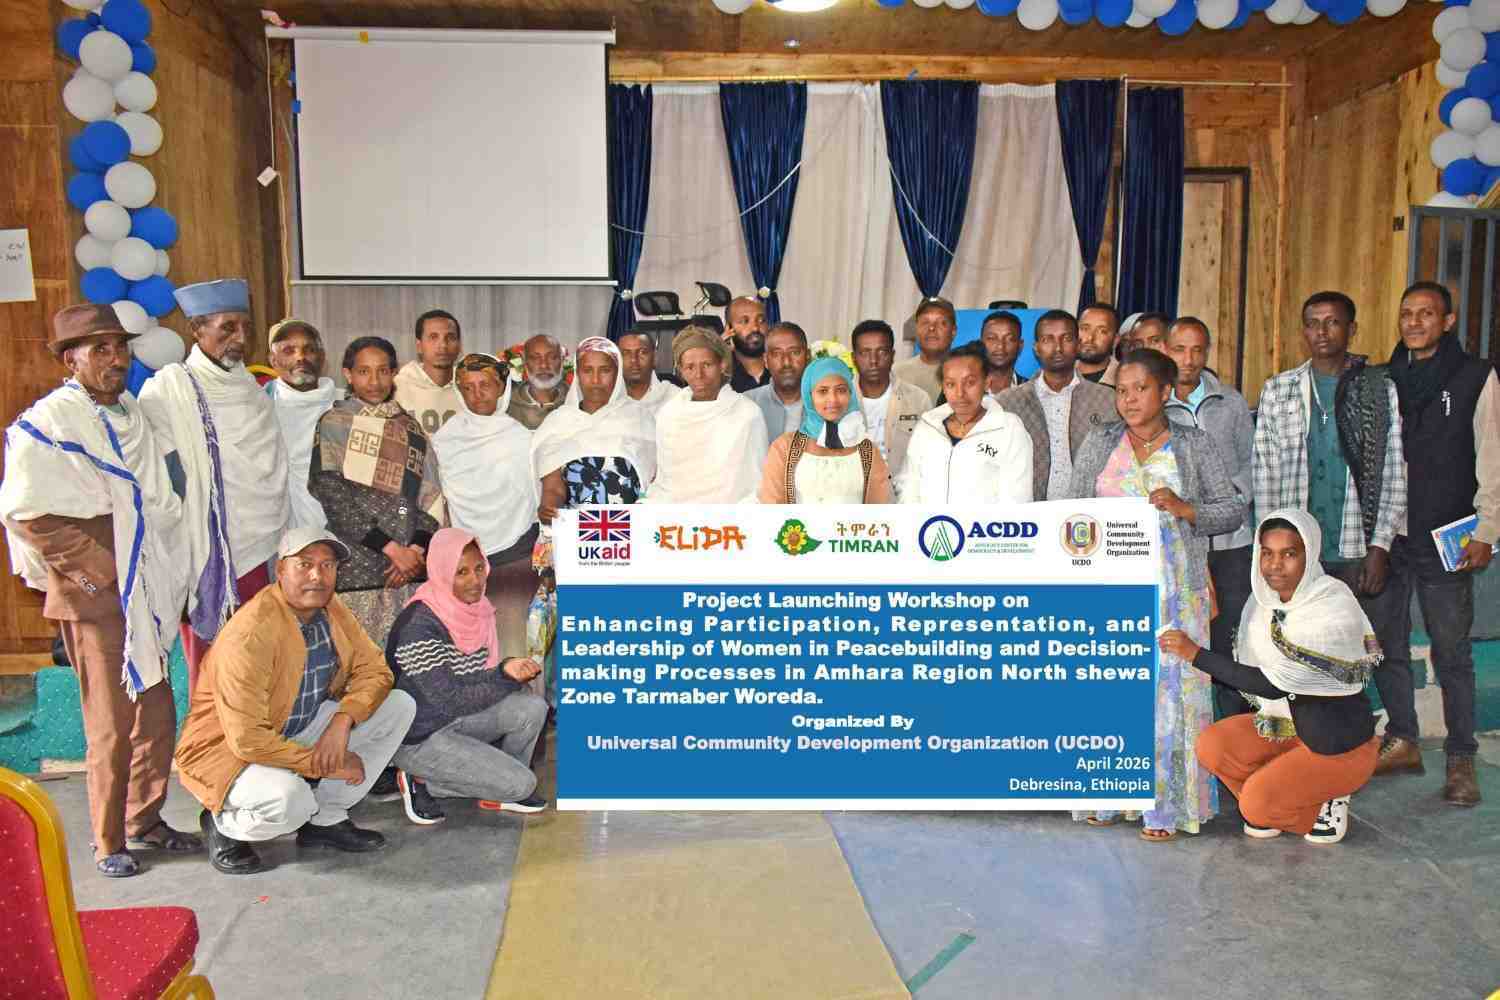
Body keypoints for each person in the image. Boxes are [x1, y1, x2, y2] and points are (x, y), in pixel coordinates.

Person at [0, 304, 198, 877]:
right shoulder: (51, 421)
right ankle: (109, 841)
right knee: (111, 723)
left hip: (147, 582)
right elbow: (27, 514)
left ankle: (145, 820)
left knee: (156, 713)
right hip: (98, 591)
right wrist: (99, 573)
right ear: (71, 360)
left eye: (121, 348)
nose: (116, 360)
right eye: (101, 349)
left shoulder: (134, 415)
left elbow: (156, 497)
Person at [1066, 348, 1247, 841]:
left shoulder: (1193, 443)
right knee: (1112, 691)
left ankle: (1167, 805)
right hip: (1109, 588)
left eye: (1140, 389)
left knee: (1171, 694)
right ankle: (1109, 796)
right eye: (1122, 390)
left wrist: (1187, 509)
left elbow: (1232, 509)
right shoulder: (1100, 440)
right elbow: (1072, 509)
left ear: (1165, 391)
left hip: (1176, 592)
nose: (1128, 399)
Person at [175, 528, 417, 875]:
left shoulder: (330, 607)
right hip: (227, 749)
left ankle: (326, 819)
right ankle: (223, 823)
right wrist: (328, 765)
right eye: (304, 564)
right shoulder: (249, 634)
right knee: (291, 802)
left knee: (399, 706)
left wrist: (342, 721)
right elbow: (248, 740)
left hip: (295, 723)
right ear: (280, 570)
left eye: (327, 565)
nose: (317, 576)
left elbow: (375, 670)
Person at [1162, 511, 1381, 845]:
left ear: (1309, 555)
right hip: (1286, 728)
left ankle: (1323, 802)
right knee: (1212, 746)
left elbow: (1271, 684)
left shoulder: (1332, 602)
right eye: (1267, 553)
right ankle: (1281, 795)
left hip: (1336, 746)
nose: (1275, 565)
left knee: (1255, 806)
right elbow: (1243, 671)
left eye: (1289, 554)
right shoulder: (1262, 602)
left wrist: (1195, 654)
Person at [1254, 290, 1406, 740]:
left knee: (1381, 649)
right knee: (1302, 649)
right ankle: (1312, 742)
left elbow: (1394, 470)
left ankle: (1402, 738)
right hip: (1299, 556)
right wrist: (1271, 555)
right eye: (1312, 322)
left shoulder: (1377, 389)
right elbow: (1265, 474)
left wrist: (1380, 546)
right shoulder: (1279, 389)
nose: (1321, 331)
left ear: (1351, 329)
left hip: (1358, 546)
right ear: (1303, 331)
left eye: (1332, 322)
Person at [1374, 281, 1499, 806]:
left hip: (1448, 535)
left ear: (1447, 322)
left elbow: (1492, 454)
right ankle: (1403, 740)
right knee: (1387, 645)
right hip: (1388, 537)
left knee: (1452, 652)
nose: (1414, 322)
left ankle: (1461, 758)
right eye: (1407, 313)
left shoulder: (1475, 377)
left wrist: (1487, 529)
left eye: (1427, 313)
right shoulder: (1385, 379)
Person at [137, 278, 289, 692]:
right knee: (213, 671)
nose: (239, 338)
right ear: (196, 329)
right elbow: (162, 481)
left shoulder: (253, 392)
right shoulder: (169, 390)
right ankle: (208, 734)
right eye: (227, 328)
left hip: (263, 547)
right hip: (206, 554)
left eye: (245, 327)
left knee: (263, 664)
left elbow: (273, 470)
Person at [386, 528, 549, 824]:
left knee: (532, 707)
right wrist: (504, 676)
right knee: (524, 784)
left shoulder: (477, 610)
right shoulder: (419, 625)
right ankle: (421, 779)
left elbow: (472, 680)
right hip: (420, 736)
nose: (475, 580)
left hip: (454, 719)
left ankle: (500, 785)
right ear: (441, 571)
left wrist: (505, 669)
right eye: (461, 572)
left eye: (478, 568)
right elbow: (451, 699)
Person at [309, 336, 444, 648]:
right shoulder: (334, 424)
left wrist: (415, 551)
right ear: (348, 374)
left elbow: (427, 499)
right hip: (356, 567)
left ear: (394, 373)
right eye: (364, 372)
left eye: (383, 371)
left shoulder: (410, 428)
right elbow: (334, 499)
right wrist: (393, 550)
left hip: (409, 571)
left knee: (409, 659)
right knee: (360, 663)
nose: (374, 381)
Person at [1164, 317, 1256, 718]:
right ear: (1165, 350)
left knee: (1231, 637)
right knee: (1186, 633)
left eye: (1197, 350)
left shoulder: (1230, 402)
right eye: (1179, 349)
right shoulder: (1156, 402)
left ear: (1207, 353)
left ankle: (1237, 726)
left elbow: (1252, 462)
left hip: (1232, 542)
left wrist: (1229, 500)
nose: (1188, 359)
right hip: (1182, 541)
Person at [432, 353, 538, 660]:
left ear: (502, 387)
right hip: (464, 562)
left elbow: (535, 495)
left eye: (486, 385)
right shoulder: (445, 439)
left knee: (514, 649)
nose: (477, 394)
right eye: (468, 387)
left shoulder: (522, 438)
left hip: (515, 555)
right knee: (468, 651)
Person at [994, 309, 1115, 503]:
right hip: (1028, 513)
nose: (1058, 348)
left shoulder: (1107, 399)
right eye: (1047, 339)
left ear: (1078, 344)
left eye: (1066, 339)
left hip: (1090, 513)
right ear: (1036, 348)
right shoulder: (1008, 402)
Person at [533, 337, 657, 513]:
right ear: (577, 374)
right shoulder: (558, 423)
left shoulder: (640, 418)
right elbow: (553, 489)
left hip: (632, 523)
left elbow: (656, 482)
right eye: (587, 371)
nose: (596, 380)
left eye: (605, 370)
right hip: (576, 525)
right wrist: (550, 508)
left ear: (617, 373)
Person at [899, 343, 1033, 505]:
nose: (960, 393)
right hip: (929, 521)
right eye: (951, 384)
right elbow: (909, 487)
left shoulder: (1009, 429)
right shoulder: (927, 426)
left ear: (987, 382)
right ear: (943, 387)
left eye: (970, 383)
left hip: (984, 522)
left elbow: (1017, 500)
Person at [646, 326, 767, 503]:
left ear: (722, 365)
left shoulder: (748, 414)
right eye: (690, 367)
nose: (699, 375)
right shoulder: (669, 414)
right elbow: (665, 483)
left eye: (707, 365)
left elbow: (757, 484)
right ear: (681, 370)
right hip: (676, 513)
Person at [756, 357, 892, 504]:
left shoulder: (867, 450)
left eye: (841, 390)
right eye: (823, 391)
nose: (833, 399)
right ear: (809, 396)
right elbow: (772, 508)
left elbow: (879, 509)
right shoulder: (784, 448)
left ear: (851, 393)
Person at [266, 319, 338, 532]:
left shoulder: (344, 406)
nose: (300, 357)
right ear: (273, 360)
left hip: (339, 525)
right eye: (289, 350)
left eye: (309, 349)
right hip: (277, 528)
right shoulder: (260, 405)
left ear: (322, 357)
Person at [851, 319, 933, 499]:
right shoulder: (840, 401)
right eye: (865, 353)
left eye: (882, 352)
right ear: (853, 357)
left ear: (893, 355)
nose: (873, 361)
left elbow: (929, 459)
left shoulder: (918, 400)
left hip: (903, 500)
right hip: (852, 500)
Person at [394, 309, 462, 436]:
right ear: (419, 346)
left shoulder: (472, 388)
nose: (443, 345)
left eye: (450, 337)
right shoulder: (397, 388)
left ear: (459, 346)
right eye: (433, 337)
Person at [745, 322, 810, 443]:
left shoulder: (827, 406)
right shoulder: (747, 403)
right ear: (765, 360)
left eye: (794, 352)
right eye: (776, 354)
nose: (786, 362)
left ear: (808, 356)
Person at [892, 297, 956, 402]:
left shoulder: (966, 373)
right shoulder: (896, 373)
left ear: (953, 331)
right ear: (916, 329)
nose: (932, 328)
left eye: (941, 323)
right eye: (925, 322)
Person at [506, 333, 569, 430]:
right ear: (524, 360)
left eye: (552, 357)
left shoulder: (574, 402)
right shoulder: (506, 406)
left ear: (562, 360)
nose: (544, 365)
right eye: (535, 358)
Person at [618, 328, 681, 418]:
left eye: (642, 352)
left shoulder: (675, 398)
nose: (634, 360)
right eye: (626, 353)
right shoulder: (608, 399)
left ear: (655, 358)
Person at [725, 295, 771, 392]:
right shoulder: (720, 372)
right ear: (729, 328)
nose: (755, 328)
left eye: (761, 320)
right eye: (744, 321)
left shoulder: (782, 366)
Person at [979, 310, 1027, 397]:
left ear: (1020, 346)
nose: (1000, 346)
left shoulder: (1032, 391)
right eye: (992, 338)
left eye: (1009, 339)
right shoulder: (966, 390)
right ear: (980, 344)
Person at [1076, 303, 1121, 387]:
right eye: (1085, 329)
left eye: (1102, 331)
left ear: (1115, 340)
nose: (1090, 338)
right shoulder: (1057, 372)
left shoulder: (1124, 380)